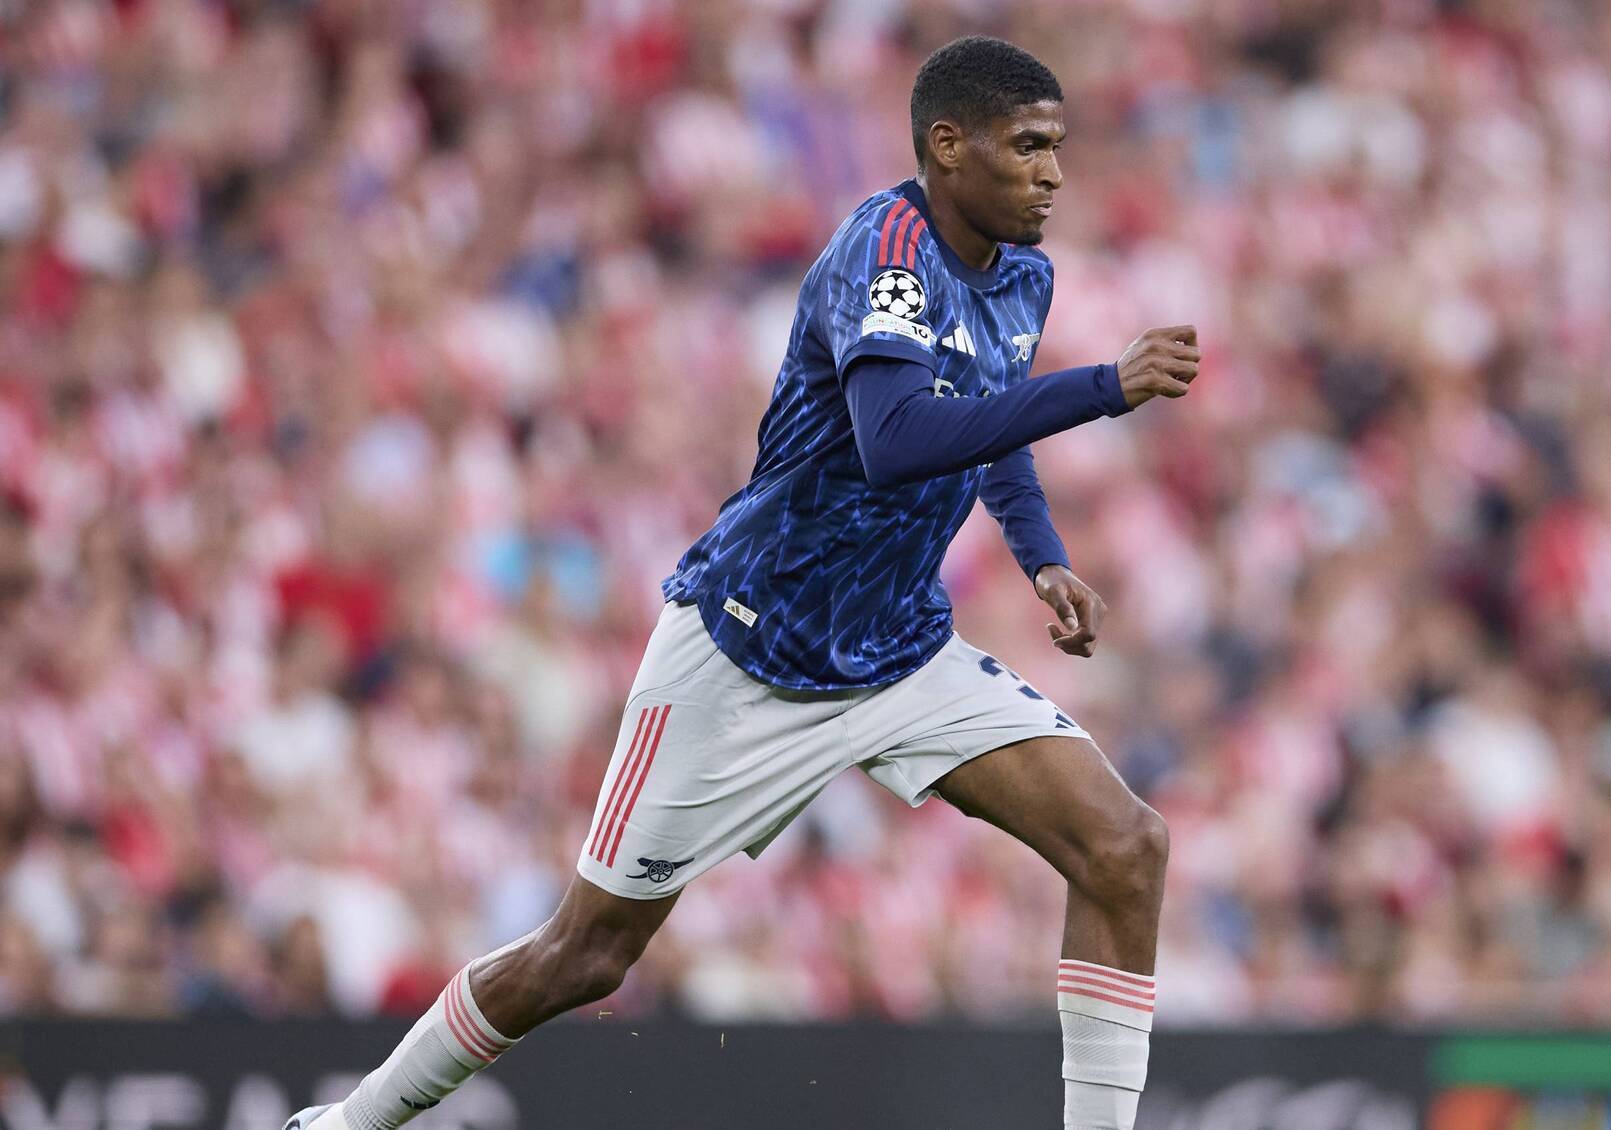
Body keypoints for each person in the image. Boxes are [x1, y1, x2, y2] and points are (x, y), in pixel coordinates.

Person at [287, 34, 1200, 1130]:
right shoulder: (885, 252)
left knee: (1125, 846)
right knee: (584, 955)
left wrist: (1041, 551)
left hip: (898, 649)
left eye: (1058, 148)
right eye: (1029, 147)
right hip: (748, 645)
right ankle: (346, 1123)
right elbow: (898, 439)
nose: (1053, 173)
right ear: (949, 146)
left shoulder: (1023, 273)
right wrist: (1103, 386)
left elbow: (988, 421)